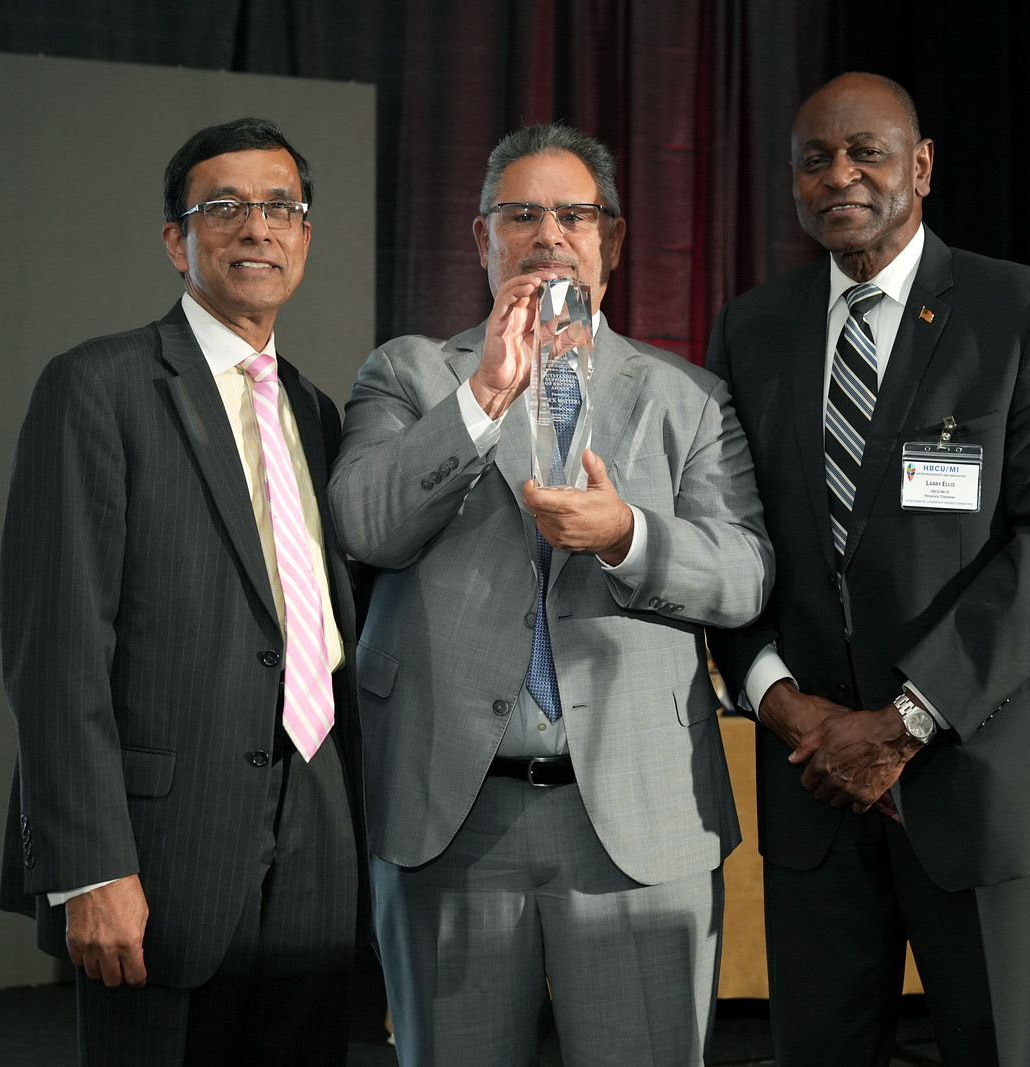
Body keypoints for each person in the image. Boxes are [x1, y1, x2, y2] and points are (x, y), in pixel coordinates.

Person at [329, 122, 772, 1067]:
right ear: (481, 238)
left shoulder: (687, 395)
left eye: (574, 214)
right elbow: (366, 524)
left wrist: (628, 535)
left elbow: (744, 574)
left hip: (638, 818)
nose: (548, 234)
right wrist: (486, 395)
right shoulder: (408, 373)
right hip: (451, 815)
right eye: (521, 214)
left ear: (612, 240)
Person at [705, 73, 1030, 1065]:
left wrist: (903, 721)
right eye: (814, 159)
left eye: (867, 152)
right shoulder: (751, 330)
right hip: (813, 784)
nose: (838, 175)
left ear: (921, 167)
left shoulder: (1025, 311)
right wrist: (782, 704)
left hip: (982, 784)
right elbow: (726, 538)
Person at [0, 117, 363, 1065]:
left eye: (281, 206)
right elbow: (56, 651)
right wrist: (89, 867)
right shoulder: (98, 386)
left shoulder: (318, 412)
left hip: (317, 823)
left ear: (305, 236)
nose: (258, 227)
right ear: (176, 239)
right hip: (160, 843)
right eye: (225, 206)